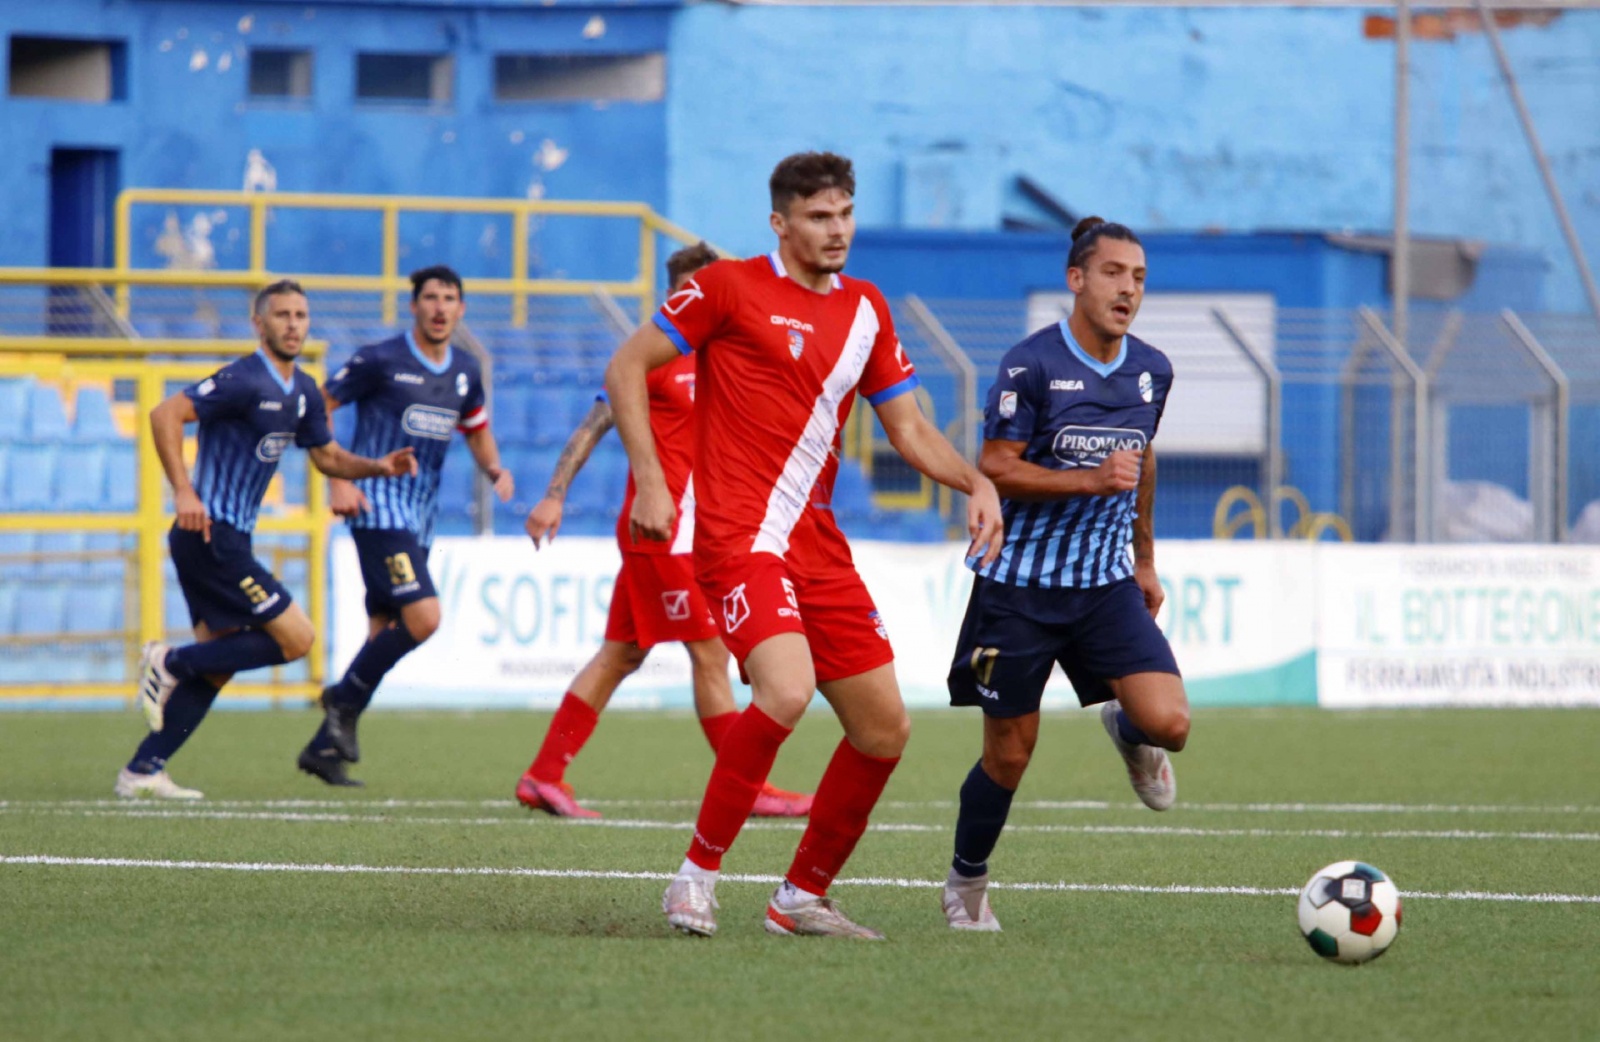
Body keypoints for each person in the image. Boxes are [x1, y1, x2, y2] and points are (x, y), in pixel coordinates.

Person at [607, 151, 1004, 940]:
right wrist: (653, 480)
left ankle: (800, 897)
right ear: (780, 222)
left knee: (885, 729)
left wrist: (976, 483)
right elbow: (626, 367)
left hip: (818, 546)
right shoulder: (725, 287)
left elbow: (911, 428)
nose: (837, 231)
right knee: (784, 691)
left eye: (846, 215)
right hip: (739, 536)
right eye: (820, 217)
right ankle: (695, 878)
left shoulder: (867, 309)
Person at [941, 217, 1189, 932]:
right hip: (1018, 589)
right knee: (1010, 755)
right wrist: (1086, 481)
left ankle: (1127, 728)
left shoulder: (1153, 370)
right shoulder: (1032, 365)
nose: (1128, 289)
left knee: (1169, 722)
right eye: (1114, 273)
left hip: (1105, 585)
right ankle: (966, 884)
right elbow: (995, 466)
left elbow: (1140, 464)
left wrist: (1142, 558)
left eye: (1139, 278)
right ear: (1077, 279)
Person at [516, 242, 812, 819]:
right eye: (697, 290)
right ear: (676, 294)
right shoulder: (649, 359)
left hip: (696, 534)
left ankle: (543, 776)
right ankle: (749, 789)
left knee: (621, 655)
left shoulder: (724, 359)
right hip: (661, 534)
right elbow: (591, 426)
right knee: (710, 653)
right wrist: (554, 496)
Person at [116, 280, 418, 800]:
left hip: (228, 540)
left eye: (300, 314)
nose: (294, 324)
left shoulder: (302, 390)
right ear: (260, 324)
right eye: (282, 315)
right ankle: (169, 661)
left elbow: (325, 457)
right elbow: (165, 413)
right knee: (297, 638)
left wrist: (376, 467)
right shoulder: (242, 378)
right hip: (209, 534)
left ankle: (144, 768)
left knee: (222, 663)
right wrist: (184, 492)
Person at [297, 265, 514, 786]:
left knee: (383, 631)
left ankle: (324, 748)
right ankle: (341, 700)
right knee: (424, 616)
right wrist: (336, 478)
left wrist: (495, 468)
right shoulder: (380, 360)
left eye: (450, 299)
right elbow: (315, 407)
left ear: (461, 310)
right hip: (375, 503)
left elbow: (476, 427)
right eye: (431, 298)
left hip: (420, 513)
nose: (440, 307)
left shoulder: (464, 368)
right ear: (414, 306)